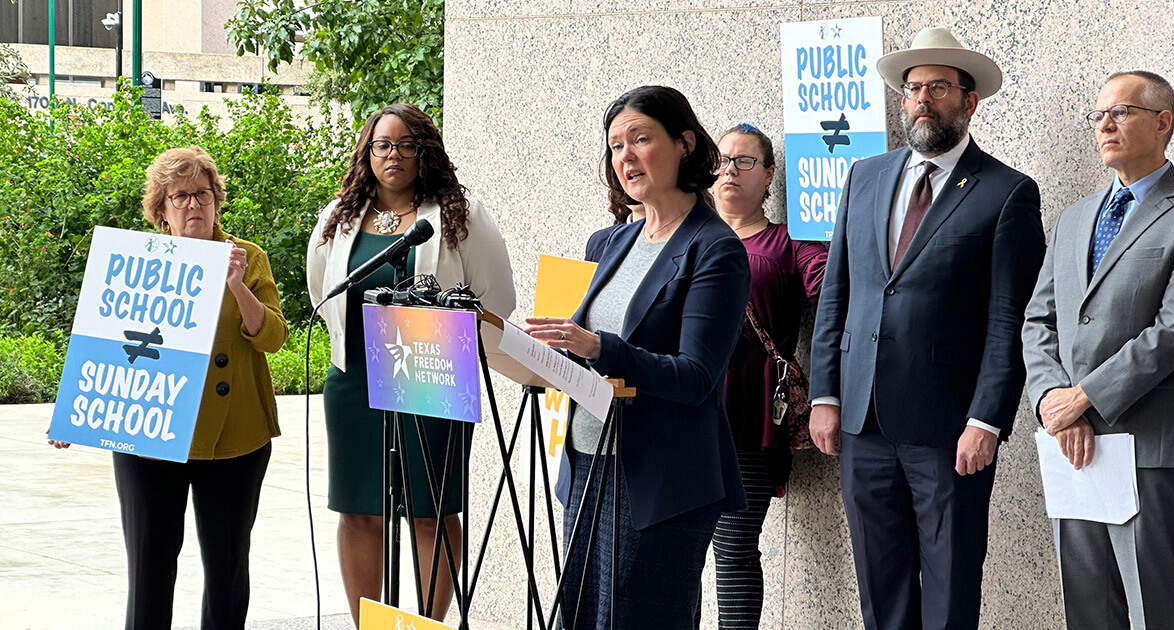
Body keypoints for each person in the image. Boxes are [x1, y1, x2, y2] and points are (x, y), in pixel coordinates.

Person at [807, 28, 1045, 630]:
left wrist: (987, 418)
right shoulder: (864, 176)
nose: (921, 99)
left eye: (938, 87)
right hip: (862, 420)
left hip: (949, 429)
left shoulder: (1007, 192)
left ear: (969, 101)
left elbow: (1007, 321)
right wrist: (825, 394)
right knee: (879, 585)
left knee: (949, 583)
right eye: (912, 88)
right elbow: (839, 293)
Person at [525, 85, 750, 629]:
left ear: (684, 144)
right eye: (615, 146)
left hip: (661, 479)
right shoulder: (609, 243)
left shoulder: (715, 249)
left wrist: (600, 348)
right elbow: (582, 348)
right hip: (587, 462)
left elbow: (696, 377)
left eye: (640, 139)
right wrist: (535, 353)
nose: (625, 157)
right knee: (579, 618)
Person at [49, 146, 288, 629]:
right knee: (149, 568)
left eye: (202, 193)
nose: (193, 205)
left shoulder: (248, 257)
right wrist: (76, 411)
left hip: (234, 439)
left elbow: (273, 337)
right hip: (148, 436)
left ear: (217, 200)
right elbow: (104, 340)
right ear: (161, 210)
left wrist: (237, 285)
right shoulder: (135, 262)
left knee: (227, 570)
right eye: (180, 196)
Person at [306, 103, 516, 624]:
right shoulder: (340, 215)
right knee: (358, 510)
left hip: (432, 373)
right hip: (354, 378)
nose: (393, 155)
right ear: (367, 152)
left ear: (426, 152)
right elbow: (321, 287)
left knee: (431, 511)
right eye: (382, 145)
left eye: (406, 145)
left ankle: (424, 623)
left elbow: (498, 296)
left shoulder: (458, 213)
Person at [1022, 71, 1174, 630]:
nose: (1103, 124)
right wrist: (1053, 400)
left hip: (1148, 443)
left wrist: (1085, 399)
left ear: (1163, 122)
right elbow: (1038, 319)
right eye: (1097, 115)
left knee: (1152, 605)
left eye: (1119, 112)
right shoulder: (1074, 218)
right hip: (1069, 445)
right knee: (1086, 606)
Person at [705, 123, 827, 629]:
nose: (730, 170)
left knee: (734, 543)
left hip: (751, 410)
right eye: (723, 161)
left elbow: (834, 289)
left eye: (744, 161)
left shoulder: (788, 241)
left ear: (770, 174)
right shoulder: (689, 235)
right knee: (679, 547)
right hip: (683, 404)